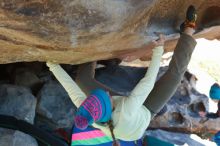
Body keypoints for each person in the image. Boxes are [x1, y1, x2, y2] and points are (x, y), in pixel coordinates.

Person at [46, 5, 197, 145]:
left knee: (82, 80)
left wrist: (51, 64)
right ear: (110, 106)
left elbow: (70, 88)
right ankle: (189, 28)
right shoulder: (125, 109)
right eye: (107, 96)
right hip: (145, 113)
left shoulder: (88, 112)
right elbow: (148, 82)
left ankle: (96, 45)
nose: (107, 92)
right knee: (175, 76)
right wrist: (158, 49)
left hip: (121, 116)